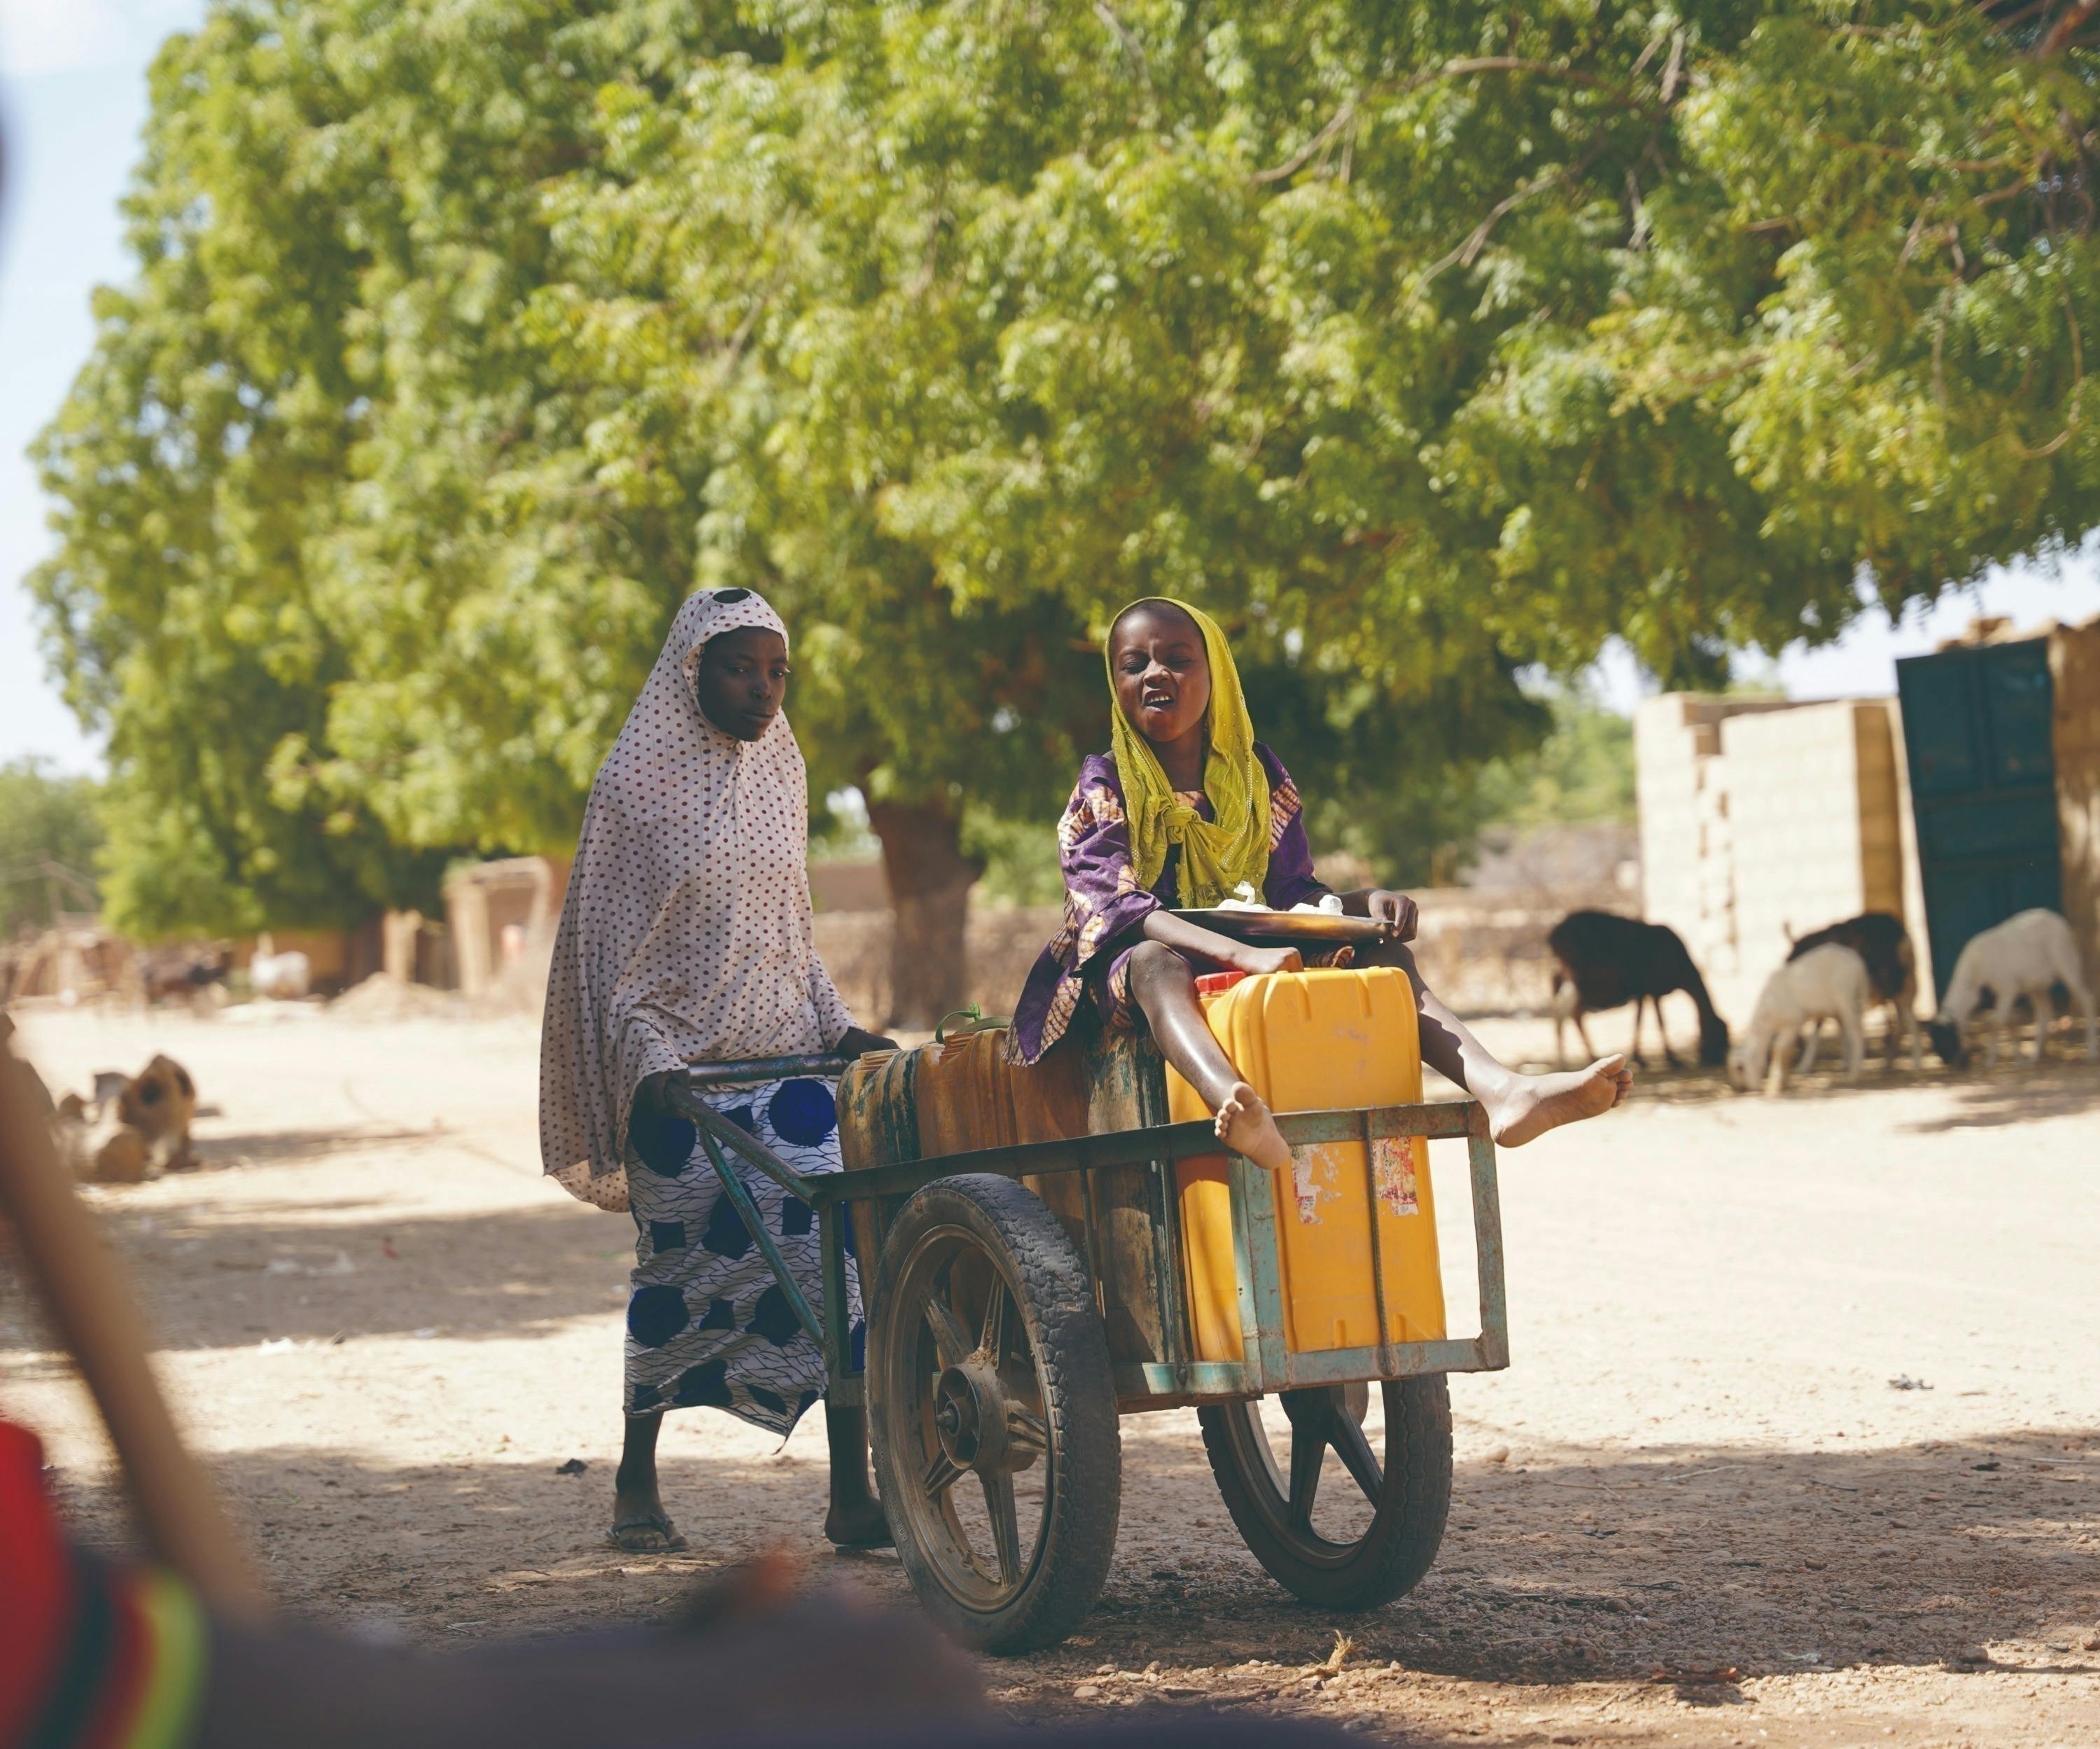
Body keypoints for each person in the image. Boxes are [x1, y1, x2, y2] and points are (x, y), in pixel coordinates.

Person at [1007, 597, 1632, 1168]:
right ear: (1115, 685)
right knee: (1153, 961)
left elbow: (1290, 891)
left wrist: (1356, 907)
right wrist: (1238, 954)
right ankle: (1240, 1107)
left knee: (1383, 955)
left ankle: (1505, 1090)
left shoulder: (1259, 778)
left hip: (1259, 950)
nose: (1155, 673)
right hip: (1129, 974)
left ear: (1215, 673)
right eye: (1133, 663)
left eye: (1178, 659)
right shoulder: (1103, 786)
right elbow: (1113, 911)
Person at [540, 587, 896, 1554]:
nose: (763, 690)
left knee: (839, 1271)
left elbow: (793, 932)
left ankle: (853, 1495)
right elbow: (611, 958)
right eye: (741, 667)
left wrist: (843, 1026)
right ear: (691, 669)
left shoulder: (784, 775)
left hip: (791, 1077)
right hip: (677, 1087)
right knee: (676, 1279)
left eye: (778, 671)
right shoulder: (631, 787)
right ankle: (636, 1479)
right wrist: (650, 1063)